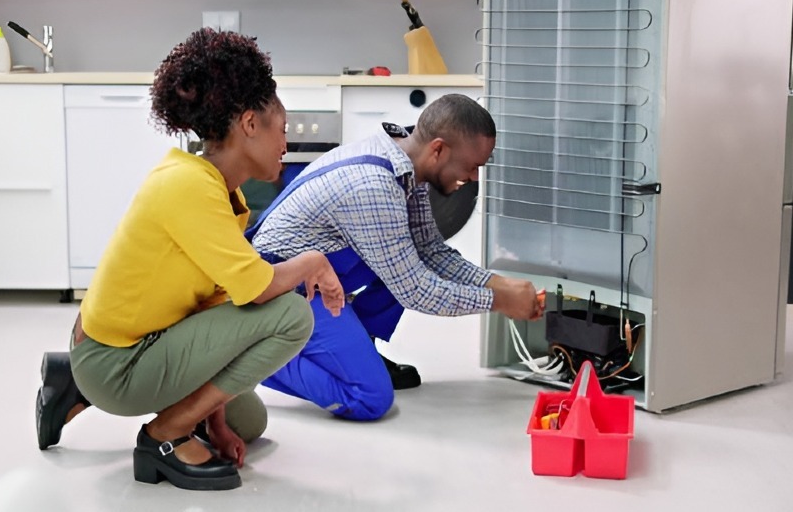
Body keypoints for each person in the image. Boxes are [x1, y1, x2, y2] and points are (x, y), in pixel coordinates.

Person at [34, 28, 344, 491]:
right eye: (283, 127)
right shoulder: (189, 186)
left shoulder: (222, 192)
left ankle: (72, 385)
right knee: (291, 316)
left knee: (246, 421)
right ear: (249, 124)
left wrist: (216, 423)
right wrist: (313, 261)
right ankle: (161, 436)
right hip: (118, 360)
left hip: (138, 340)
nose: (287, 141)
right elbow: (258, 288)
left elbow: (218, 305)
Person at [247, 94, 545, 422]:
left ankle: (361, 346)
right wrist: (498, 301)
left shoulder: (404, 165)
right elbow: (414, 289)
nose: (474, 177)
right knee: (369, 398)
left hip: (322, 270)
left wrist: (499, 283)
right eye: (472, 166)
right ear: (438, 149)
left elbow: (429, 251)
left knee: (404, 253)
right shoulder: (375, 187)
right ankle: (249, 355)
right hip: (282, 286)